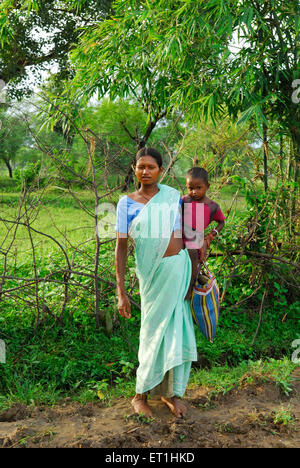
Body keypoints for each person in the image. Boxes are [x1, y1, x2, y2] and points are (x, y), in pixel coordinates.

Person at [115, 147, 197, 418]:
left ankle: (170, 393)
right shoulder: (126, 203)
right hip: (151, 276)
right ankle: (140, 395)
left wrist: (194, 274)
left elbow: (190, 233)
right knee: (151, 332)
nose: (145, 171)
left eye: (151, 167)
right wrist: (121, 291)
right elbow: (121, 246)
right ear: (135, 169)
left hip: (178, 271)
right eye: (141, 167)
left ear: (160, 170)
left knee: (175, 331)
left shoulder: (173, 197)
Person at [182, 167, 226, 299]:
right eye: (190, 188)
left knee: (194, 259)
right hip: (180, 237)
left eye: (198, 188)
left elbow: (221, 222)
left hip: (196, 239)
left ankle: (189, 291)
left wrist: (210, 236)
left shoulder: (212, 206)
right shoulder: (184, 200)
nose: (194, 192)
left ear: (207, 186)